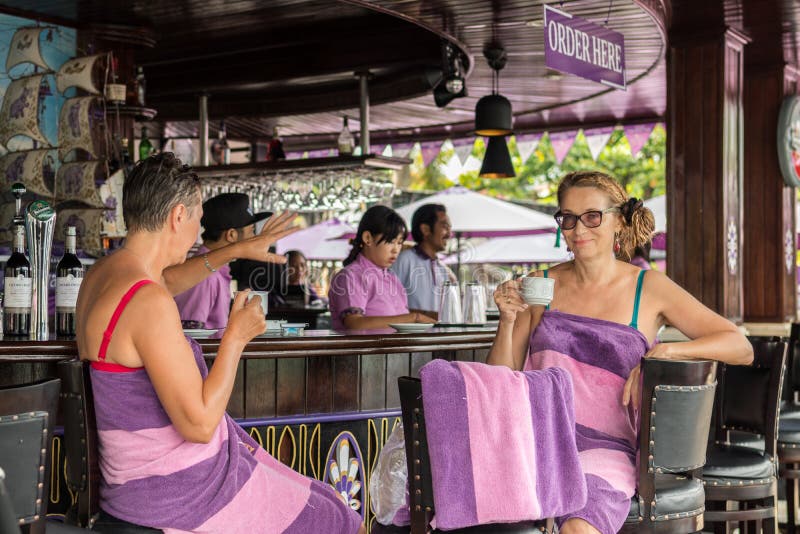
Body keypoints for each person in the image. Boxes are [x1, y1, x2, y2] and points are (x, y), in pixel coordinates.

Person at [75, 153, 364, 533]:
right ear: (179, 216)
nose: (198, 232)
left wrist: (237, 249)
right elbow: (199, 426)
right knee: (339, 518)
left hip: (135, 484)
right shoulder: (148, 302)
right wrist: (235, 337)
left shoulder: (103, 276)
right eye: (198, 219)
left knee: (325, 499)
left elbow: (168, 282)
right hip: (177, 493)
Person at [488, 170, 752, 534]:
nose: (578, 229)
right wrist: (506, 320)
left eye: (592, 216)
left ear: (619, 221)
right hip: (534, 438)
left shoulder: (649, 286)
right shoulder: (539, 284)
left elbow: (739, 345)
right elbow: (500, 380)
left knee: (578, 526)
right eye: (567, 218)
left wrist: (662, 354)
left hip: (607, 449)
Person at [173, 193, 271, 329]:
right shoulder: (205, 277)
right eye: (251, 231)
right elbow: (190, 336)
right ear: (231, 235)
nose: (254, 237)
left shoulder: (214, 269)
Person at [328, 205, 436, 330]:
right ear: (368, 238)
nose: (396, 250)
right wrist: (413, 318)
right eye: (391, 241)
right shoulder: (350, 276)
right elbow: (354, 324)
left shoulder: (392, 278)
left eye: (399, 242)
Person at [391, 203, 455, 318]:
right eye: (445, 226)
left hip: (440, 334)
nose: (449, 234)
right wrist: (428, 316)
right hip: (411, 335)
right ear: (425, 229)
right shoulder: (404, 260)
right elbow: (389, 304)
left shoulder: (442, 268)